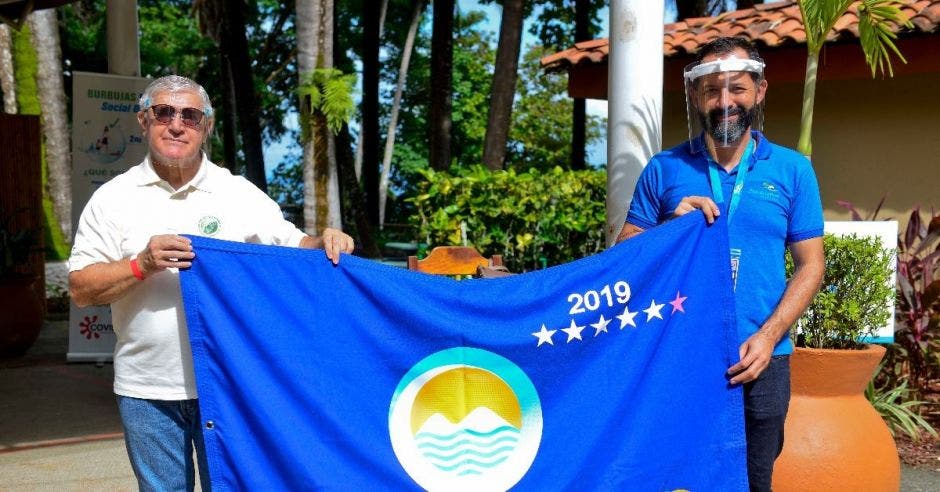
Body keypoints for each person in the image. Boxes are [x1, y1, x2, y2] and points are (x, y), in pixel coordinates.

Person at [68, 75, 355, 491]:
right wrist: (141, 264)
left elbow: (294, 247)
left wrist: (326, 239)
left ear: (207, 126)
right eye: (164, 112)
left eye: (190, 115)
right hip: (146, 387)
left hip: (227, 382)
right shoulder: (113, 198)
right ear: (143, 121)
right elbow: (80, 288)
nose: (176, 124)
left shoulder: (236, 193)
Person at [616, 37, 824, 491]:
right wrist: (671, 224)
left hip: (763, 358)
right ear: (695, 96)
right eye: (712, 91)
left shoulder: (792, 170)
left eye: (738, 89)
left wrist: (769, 337)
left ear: (760, 91)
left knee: (755, 480)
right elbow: (624, 259)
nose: (725, 102)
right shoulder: (664, 168)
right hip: (679, 353)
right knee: (676, 477)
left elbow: (811, 267)